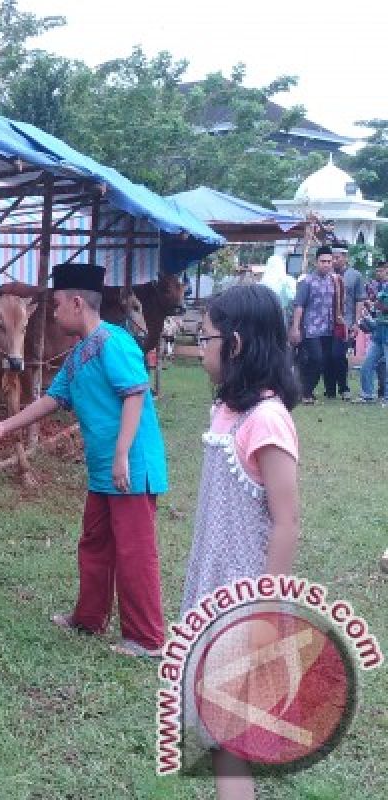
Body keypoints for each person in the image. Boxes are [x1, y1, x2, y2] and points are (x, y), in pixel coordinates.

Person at [0, 262, 167, 658]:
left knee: (134, 551)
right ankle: (88, 618)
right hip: (104, 472)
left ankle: (148, 639)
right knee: (95, 543)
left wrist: (121, 456)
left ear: (78, 304)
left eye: (56, 305)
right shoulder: (80, 352)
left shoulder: (114, 342)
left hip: (129, 468)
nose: (52, 313)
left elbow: (135, 394)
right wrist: (7, 425)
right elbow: (52, 399)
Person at [182, 284, 301, 799]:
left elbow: (286, 521)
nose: (197, 345)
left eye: (204, 336)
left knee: (230, 735)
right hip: (213, 586)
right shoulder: (227, 410)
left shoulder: (267, 421)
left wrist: (265, 613)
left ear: (233, 344)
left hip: (244, 599)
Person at [289, 246, 341, 403]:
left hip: (328, 329)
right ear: (316, 262)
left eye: (329, 261)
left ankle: (306, 392)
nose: (326, 264)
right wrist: (295, 328)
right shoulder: (307, 282)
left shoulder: (335, 281)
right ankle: (304, 391)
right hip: (310, 329)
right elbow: (299, 306)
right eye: (323, 261)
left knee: (322, 361)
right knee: (315, 359)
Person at [333, 245, 363, 400]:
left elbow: (359, 300)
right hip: (327, 323)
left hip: (347, 322)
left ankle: (344, 387)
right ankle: (330, 390)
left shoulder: (355, 276)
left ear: (345, 257)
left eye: (337, 258)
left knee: (340, 355)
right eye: (333, 258)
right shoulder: (327, 274)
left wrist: (356, 323)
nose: (334, 261)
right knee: (328, 356)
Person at [357, 262, 388, 406]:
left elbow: (384, 307)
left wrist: (374, 304)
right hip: (379, 331)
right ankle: (367, 394)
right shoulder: (381, 287)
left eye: (381, 271)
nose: (379, 274)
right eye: (378, 271)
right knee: (367, 363)